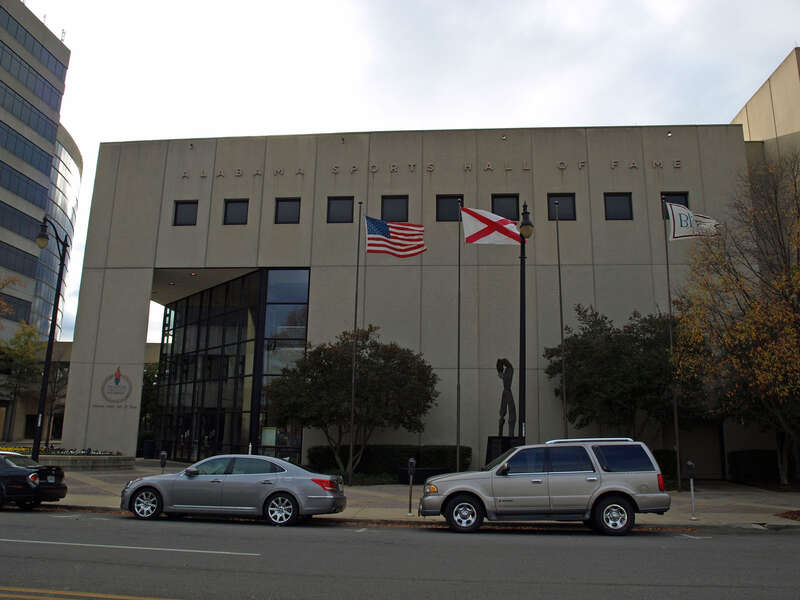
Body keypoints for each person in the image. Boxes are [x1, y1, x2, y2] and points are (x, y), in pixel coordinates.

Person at [496, 358, 516, 437]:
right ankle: (507, 434)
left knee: (508, 413)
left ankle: (507, 434)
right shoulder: (508, 371)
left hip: (507, 392)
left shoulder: (508, 371)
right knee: (507, 413)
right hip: (506, 392)